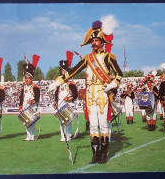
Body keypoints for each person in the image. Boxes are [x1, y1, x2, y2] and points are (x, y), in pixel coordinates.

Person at [49, 20, 123, 164]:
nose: (94, 43)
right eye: (93, 40)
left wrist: (111, 85)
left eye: (97, 40)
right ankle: (95, 154)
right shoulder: (87, 59)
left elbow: (119, 74)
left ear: (102, 42)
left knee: (103, 124)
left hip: (102, 92)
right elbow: (72, 72)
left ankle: (103, 154)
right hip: (90, 94)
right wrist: (57, 82)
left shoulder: (108, 57)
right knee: (93, 124)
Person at [54, 60, 78, 142]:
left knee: (68, 121)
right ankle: (62, 136)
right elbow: (56, 94)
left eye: (64, 71)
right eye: (62, 70)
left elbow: (75, 95)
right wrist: (56, 102)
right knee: (61, 121)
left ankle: (68, 135)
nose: (63, 72)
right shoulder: (59, 83)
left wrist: (69, 98)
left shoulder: (71, 83)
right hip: (60, 104)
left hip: (68, 104)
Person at [19, 55, 40, 141]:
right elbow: (21, 98)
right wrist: (20, 106)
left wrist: (32, 101)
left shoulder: (35, 87)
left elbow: (37, 98)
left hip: (32, 106)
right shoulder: (23, 87)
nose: (27, 79)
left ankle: (31, 136)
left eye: (29, 78)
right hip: (25, 106)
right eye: (26, 77)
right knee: (26, 122)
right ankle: (28, 136)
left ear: (31, 78)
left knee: (31, 121)